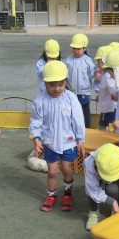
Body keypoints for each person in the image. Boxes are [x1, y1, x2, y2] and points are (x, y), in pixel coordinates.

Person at [29, 60, 85, 212]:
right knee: (52, 171)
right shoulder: (40, 100)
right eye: (52, 85)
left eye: (60, 84)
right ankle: (51, 195)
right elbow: (36, 121)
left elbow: (78, 120)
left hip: (69, 142)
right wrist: (36, 138)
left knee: (67, 169)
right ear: (45, 83)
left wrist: (80, 140)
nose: (57, 88)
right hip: (50, 142)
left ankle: (67, 193)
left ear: (65, 81)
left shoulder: (71, 98)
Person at [84, 143, 119, 230]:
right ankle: (94, 212)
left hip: (114, 173)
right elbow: (92, 189)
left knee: (112, 189)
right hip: (96, 175)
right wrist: (112, 201)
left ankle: (116, 210)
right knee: (89, 189)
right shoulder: (90, 163)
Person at [63, 33, 95, 128]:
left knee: (85, 110)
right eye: (74, 49)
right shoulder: (68, 60)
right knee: (71, 110)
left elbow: (92, 73)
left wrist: (96, 74)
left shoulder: (87, 60)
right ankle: (71, 127)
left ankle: (87, 127)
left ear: (84, 48)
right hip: (71, 91)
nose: (76, 51)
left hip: (84, 91)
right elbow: (64, 73)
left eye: (78, 49)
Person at [93, 45, 116, 131]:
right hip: (107, 108)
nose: (97, 64)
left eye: (99, 61)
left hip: (109, 109)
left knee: (103, 129)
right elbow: (105, 90)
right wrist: (100, 96)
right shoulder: (105, 75)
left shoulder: (107, 76)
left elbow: (113, 91)